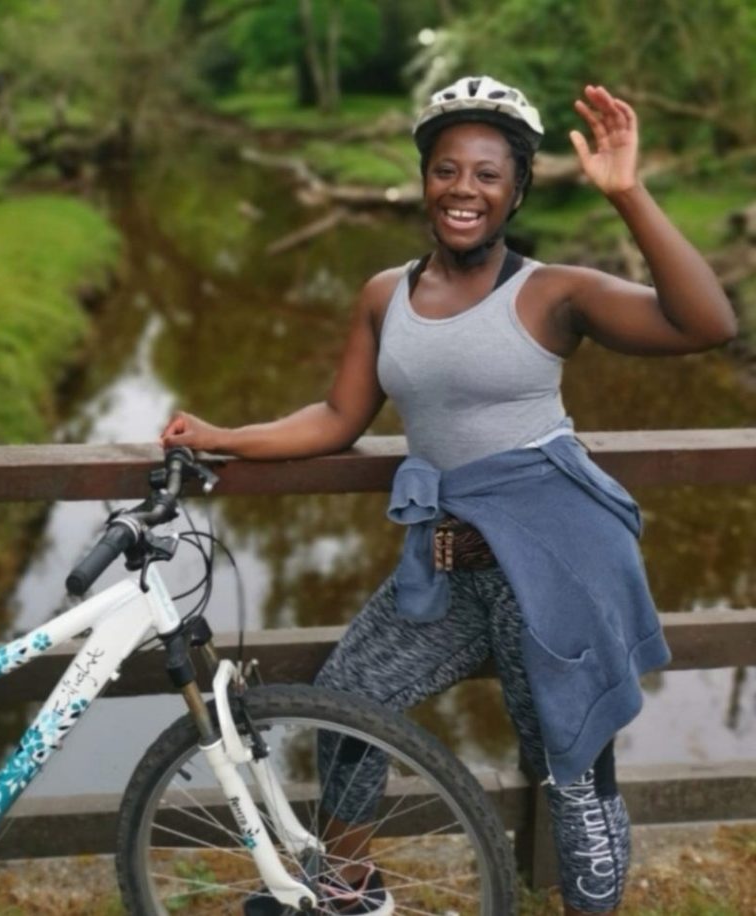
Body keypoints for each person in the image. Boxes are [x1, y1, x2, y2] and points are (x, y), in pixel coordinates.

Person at [160, 76, 737, 916]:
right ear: (425, 178)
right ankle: (350, 892)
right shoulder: (384, 295)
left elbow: (707, 325)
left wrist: (629, 195)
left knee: (571, 769)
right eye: (446, 169)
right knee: (348, 707)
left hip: (554, 567)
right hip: (447, 565)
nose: (464, 189)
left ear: (516, 191)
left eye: (488, 174)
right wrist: (223, 434)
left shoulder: (552, 293)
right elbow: (335, 417)